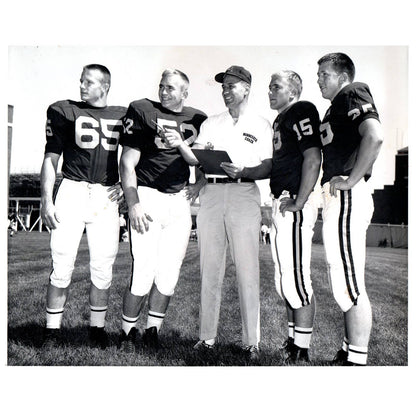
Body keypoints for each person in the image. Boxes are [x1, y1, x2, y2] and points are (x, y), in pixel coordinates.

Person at [171, 65, 273, 361]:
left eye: (231, 85)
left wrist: (245, 171)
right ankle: (207, 338)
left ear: (246, 88)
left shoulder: (262, 124)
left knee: (247, 271)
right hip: (212, 194)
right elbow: (197, 160)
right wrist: (180, 145)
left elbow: (267, 166)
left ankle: (251, 341)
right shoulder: (211, 123)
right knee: (210, 269)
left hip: (244, 193)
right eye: (223, 86)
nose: (226, 91)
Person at [118, 69, 207, 353]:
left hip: (179, 200)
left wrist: (200, 183)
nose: (164, 92)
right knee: (143, 270)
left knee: (170, 272)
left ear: (185, 93)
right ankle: (127, 331)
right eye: (161, 86)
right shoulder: (142, 110)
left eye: (171, 88)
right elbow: (127, 162)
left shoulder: (197, 119)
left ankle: (152, 330)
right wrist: (133, 203)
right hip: (148, 195)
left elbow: (206, 162)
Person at [40, 64, 126, 349]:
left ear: (105, 86)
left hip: (105, 196)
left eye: (89, 82)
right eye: (81, 81)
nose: (82, 86)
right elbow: (51, 159)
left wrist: (128, 188)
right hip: (73, 191)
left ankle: (97, 329)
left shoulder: (124, 115)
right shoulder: (64, 110)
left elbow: (135, 157)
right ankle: (52, 331)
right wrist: (46, 199)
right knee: (61, 264)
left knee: (103, 266)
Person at [317, 52, 383, 365]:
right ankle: (349, 351)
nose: (319, 80)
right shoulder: (337, 104)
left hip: (347, 196)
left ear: (343, 77)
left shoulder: (352, 92)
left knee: (349, 284)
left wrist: (351, 179)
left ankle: (356, 362)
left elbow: (375, 136)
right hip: (339, 197)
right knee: (343, 278)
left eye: (324, 75)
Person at [268, 70, 322, 364]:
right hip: (282, 200)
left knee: (297, 280)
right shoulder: (280, 119)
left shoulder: (301, 110)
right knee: (284, 280)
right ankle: (292, 341)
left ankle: (301, 350)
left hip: (296, 201)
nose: (270, 91)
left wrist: (300, 201)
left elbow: (313, 158)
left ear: (293, 91)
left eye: (276, 86)